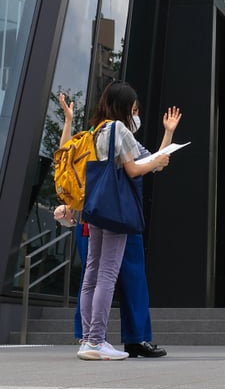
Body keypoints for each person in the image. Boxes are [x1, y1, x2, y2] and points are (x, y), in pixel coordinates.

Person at [58, 91, 171, 358]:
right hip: (115, 211)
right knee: (108, 275)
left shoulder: (94, 132)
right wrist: (158, 160)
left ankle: (87, 340)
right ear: (123, 107)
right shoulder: (119, 129)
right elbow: (135, 169)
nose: (136, 114)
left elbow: (65, 156)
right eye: (133, 108)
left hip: (93, 212)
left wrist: (68, 122)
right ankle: (97, 341)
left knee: (91, 276)